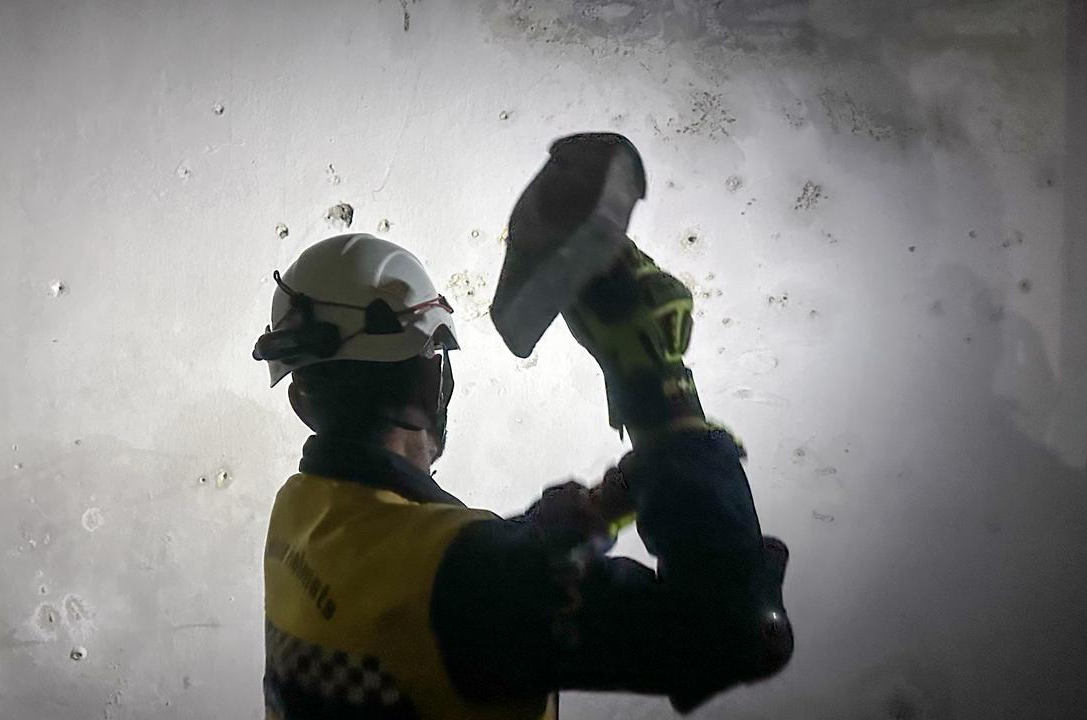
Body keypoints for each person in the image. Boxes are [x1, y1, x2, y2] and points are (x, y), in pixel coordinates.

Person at [253, 230, 792, 719]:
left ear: (302, 401)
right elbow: (738, 635)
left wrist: (585, 520)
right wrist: (663, 395)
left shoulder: (301, 510)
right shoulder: (469, 584)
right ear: (434, 374)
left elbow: (429, 585)